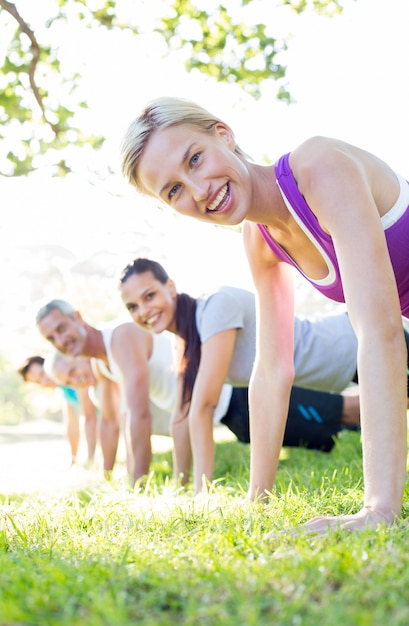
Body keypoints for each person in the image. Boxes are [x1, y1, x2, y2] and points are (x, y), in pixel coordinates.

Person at [120, 97, 409, 531]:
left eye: (195, 159)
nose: (199, 191)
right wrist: (259, 500)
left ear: (224, 135)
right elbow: (273, 369)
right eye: (174, 190)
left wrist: (380, 508)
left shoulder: (319, 167)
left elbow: (379, 330)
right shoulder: (259, 240)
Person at [118, 258, 366, 490]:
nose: (143, 311)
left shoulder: (216, 307)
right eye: (132, 307)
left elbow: (203, 406)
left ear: (170, 287)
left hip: (350, 343)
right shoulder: (183, 340)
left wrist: (201, 493)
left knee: (397, 403)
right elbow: (182, 414)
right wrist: (180, 486)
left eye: (149, 296)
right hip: (330, 373)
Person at [35, 299, 178, 484]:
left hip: (214, 405)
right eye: (51, 338)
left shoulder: (121, 338)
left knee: (129, 411)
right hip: (180, 419)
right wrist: (106, 479)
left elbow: (137, 416)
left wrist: (137, 482)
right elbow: (109, 423)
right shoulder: (100, 363)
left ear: (78, 318)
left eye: (61, 328)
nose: (60, 341)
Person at [17, 355, 98, 466]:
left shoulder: (76, 378)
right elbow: (71, 425)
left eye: (42, 374)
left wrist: (90, 459)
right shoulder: (63, 391)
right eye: (38, 382)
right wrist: (73, 461)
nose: (43, 382)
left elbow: (90, 417)